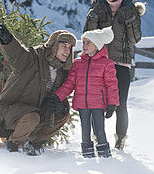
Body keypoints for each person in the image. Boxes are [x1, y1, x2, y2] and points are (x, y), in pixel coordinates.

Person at [0, 25, 77, 156]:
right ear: (54, 46)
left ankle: (34, 143)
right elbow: (18, 56)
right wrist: (8, 41)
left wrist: (61, 107)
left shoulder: (62, 71)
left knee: (63, 113)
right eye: (64, 46)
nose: (67, 51)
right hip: (10, 110)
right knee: (32, 117)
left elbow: (62, 94)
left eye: (70, 47)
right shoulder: (34, 57)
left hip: (35, 111)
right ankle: (14, 145)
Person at [84, 0, 146, 150]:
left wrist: (131, 19)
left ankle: (120, 139)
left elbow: (135, 39)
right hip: (99, 63)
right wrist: (93, 17)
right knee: (97, 102)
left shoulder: (130, 10)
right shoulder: (98, 8)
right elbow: (87, 37)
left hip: (121, 64)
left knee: (121, 104)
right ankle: (97, 136)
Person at [47, 27, 119, 158]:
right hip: (82, 104)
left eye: (88, 43)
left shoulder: (107, 63)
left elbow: (112, 85)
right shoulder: (77, 63)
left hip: (98, 104)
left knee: (99, 130)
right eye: (83, 42)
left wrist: (113, 103)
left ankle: (105, 155)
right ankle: (87, 154)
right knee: (85, 130)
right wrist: (57, 96)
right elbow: (69, 84)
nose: (84, 45)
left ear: (97, 45)